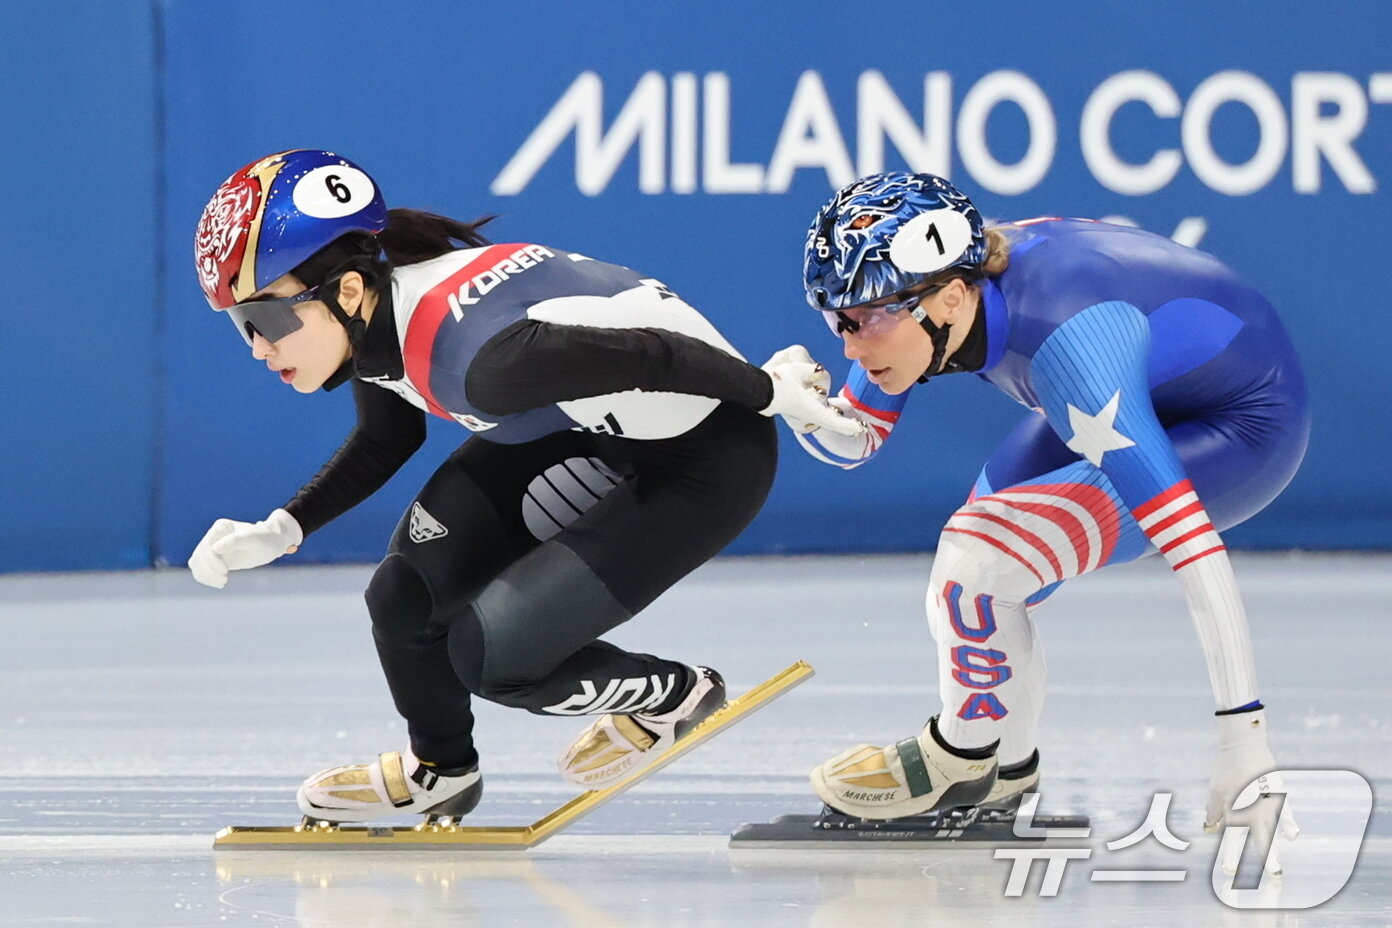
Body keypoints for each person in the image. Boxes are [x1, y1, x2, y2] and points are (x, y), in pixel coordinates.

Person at [187, 148, 862, 823]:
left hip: (705, 462)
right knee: (403, 597)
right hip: (589, 429)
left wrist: (772, 392)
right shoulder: (380, 318)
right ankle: (440, 772)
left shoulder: (484, 361)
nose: (257, 346)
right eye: (241, 324)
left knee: (494, 656)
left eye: (268, 320)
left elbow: (657, 354)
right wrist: (284, 528)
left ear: (349, 291)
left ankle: (676, 695)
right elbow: (388, 438)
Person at [772, 172, 1306, 866]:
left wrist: (1245, 740)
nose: (850, 346)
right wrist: (792, 400)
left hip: (1241, 426)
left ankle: (962, 758)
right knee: (974, 570)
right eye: (836, 321)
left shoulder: (1073, 343)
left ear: (953, 298)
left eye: (864, 320)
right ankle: (1003, 769)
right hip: (1151, 386)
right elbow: (859, 437)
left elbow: (1194, 549)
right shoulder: (918, 290)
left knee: (977, 558)